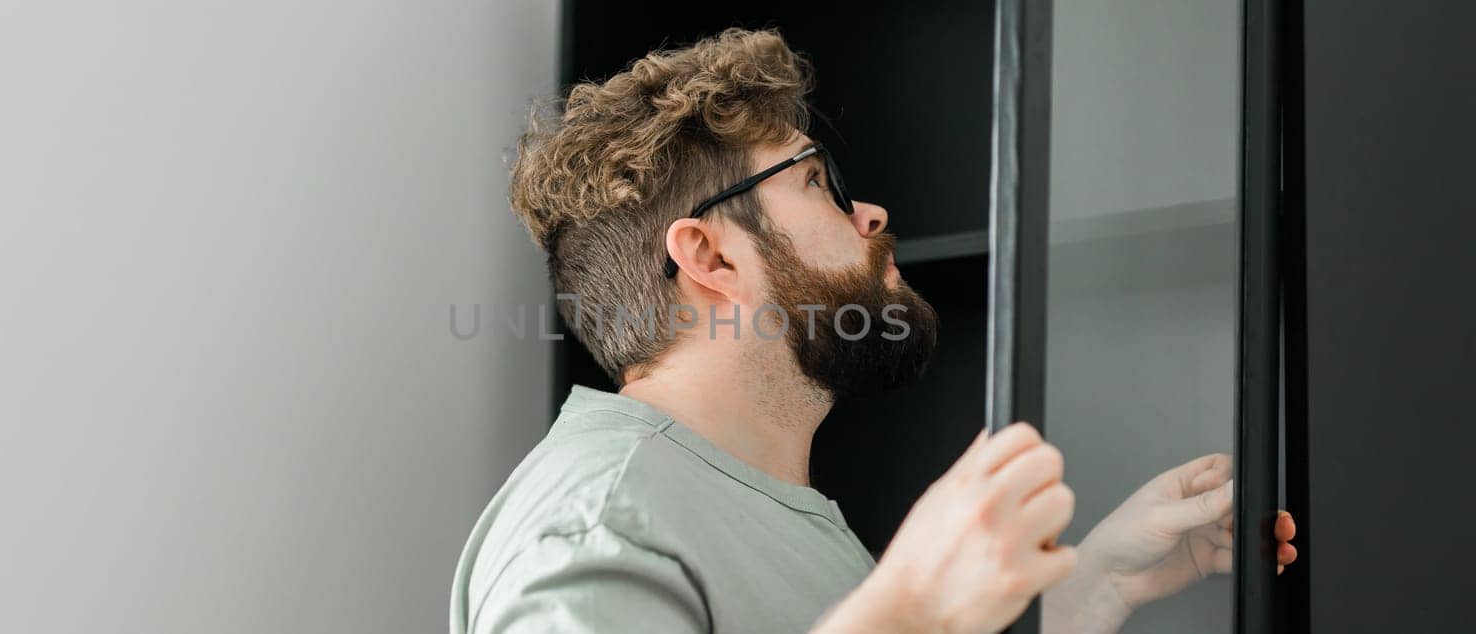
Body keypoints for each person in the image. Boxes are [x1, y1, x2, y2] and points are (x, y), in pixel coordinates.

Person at [450, 28, 1296, 634]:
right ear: (708, 254)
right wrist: (908, 612)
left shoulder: (758, 510)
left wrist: (1096, 585)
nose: (872, 212)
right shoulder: (601, 521)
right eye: (818, 182)